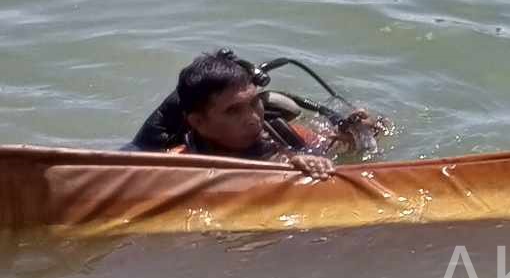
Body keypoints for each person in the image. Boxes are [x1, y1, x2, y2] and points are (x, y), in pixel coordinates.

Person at [130, 49, 380, 177]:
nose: (252, 117)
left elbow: (343, 151)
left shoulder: (282, 133)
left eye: (254, 102)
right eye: (232, 111)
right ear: (199, 123)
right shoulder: (179, 164)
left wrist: (362, 133)